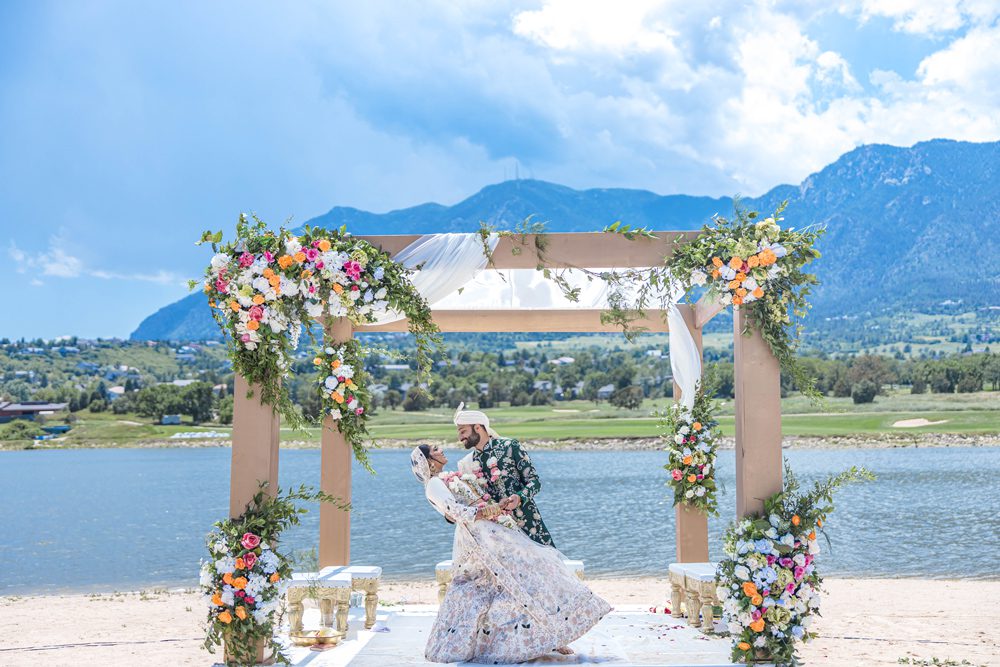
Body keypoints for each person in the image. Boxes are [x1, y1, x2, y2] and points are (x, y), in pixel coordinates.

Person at [412, 444, 611, 664]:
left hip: (493, 530)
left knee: (527, 575)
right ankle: (521, 641)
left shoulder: (449, 477)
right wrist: (491, 510)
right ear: (429, 462)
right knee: (498, 587)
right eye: (435, 450)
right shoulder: (434, 484)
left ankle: (550, 635)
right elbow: (456, 512)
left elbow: (470, 503)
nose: (441, 450)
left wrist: (495, 508)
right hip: (479, 537)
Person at [453, 403, 555, 547]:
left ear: (477, 427)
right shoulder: (467, 463)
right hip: (498, 535)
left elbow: (535, 482)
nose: (460, 437)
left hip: (528, 523)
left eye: (463, 431)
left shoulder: (510, 446)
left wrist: (520, 497)